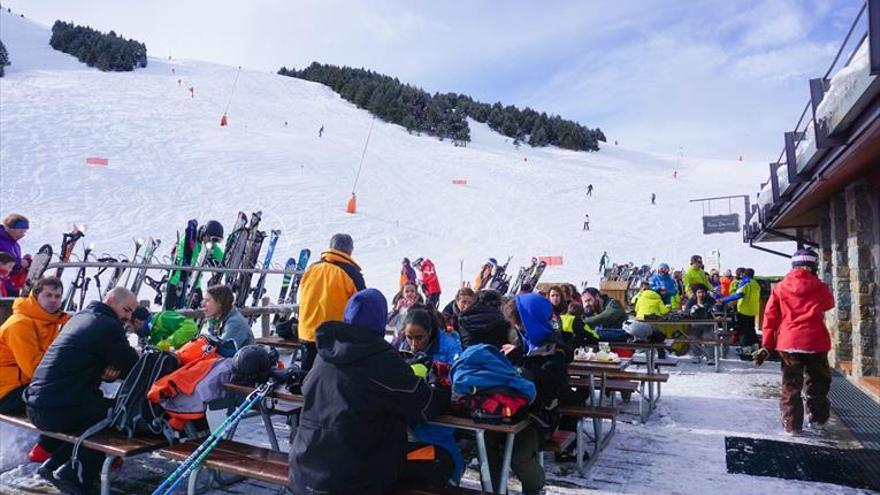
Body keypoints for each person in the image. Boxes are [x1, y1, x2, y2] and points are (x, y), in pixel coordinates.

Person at [290, 289, 452, 494]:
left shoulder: (325, 354)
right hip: (354, 479)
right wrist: (441, 386)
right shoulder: (382, 360)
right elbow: (426, 406)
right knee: (441, 457)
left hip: (303, 472)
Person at [26, 287, 140, 494]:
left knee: (97, 412)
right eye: (127, 310)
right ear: (112, 301)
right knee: (118, 415)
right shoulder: (107, 325)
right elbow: (132, 365)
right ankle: (75, 475)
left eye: (131, 313)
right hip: (59, 409)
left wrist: (103, 368)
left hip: (39, 402)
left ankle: (54, 465)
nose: (128, 316)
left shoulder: (81, 317)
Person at [754, 248, 834, 435]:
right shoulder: (820, 286)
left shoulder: (781, 287)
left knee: (791, 384)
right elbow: (829, 304)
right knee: (818, 382)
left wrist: (767, 345)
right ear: (814, 266)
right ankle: (818, 419)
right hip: (815, 342)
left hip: (788, 342)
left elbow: (770, 318)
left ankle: (792, 426)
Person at [496, 294, 568, 495]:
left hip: (540, 416)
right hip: (515, 411)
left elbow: (552, 387)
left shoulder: (555, 350)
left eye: (520, 323)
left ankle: (535, 489)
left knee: (519, 456)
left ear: (532, 320)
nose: (518, 328)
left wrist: (521, 361)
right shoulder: (528, 342)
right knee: (487, 445)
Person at [0, 277, 69, 462]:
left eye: (58, 296)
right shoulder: (20, 324)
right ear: (35, 296)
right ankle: (49, 449)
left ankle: (50, 448)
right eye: (48, 295)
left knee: (73, 393)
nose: (54, 300)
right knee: (67, 398)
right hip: (6, 392)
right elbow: (36, 369)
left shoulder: (50, 321)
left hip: (23, 384)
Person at [297, 233, 365, 371]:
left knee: (307, 377)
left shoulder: (311, 268)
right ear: (350, 250)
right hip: (334, 338)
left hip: (306, 333)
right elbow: (362, 305)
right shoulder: (351, 273)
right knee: (329, 380)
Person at [166, 220, 224, 309]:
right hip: (177, 281)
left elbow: (221, 258)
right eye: (212, 239)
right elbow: (184, 257)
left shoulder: (209, 245)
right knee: (171, 312)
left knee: (199, 311)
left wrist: (217, 263)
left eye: (216, 241)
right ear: (205, 233)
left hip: (194, 284)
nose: (213, 243)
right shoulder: (189, 240)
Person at [721, 267, 761, 352]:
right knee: (751, 328)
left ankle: (745, 347)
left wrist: (724, 300)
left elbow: (738, 295)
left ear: (744, 274)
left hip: (743, 309)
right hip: (753, 310)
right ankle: (754, 345)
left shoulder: (744, 282)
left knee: (743, 329)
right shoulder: (756, 284)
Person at [203, 285, 254, 350]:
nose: (203, 304)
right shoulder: (218, 319)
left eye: (207, 301)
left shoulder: (235, 323)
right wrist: (211, 321)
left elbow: (221, 351)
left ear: (219, 303)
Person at [684, 283, 717, 364]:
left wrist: (700, 306)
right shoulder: (691, 300)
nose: (701, 294)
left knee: (708, 337)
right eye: (699, 292)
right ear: (696, 293)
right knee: (692, 337)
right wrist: (691, 310)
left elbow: (710, 307)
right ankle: (697, 355)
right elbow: (686, 311)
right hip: (695, 325)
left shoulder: (710, 300)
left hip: (708, 324)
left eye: (703, 292)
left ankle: (710, 357)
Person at [0, 214, 30, 296]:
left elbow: (13, 265)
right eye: (21, 232)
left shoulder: (16, 246)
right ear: (10, 229)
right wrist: (19, 262)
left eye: (24, 232)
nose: (23, 235)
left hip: (11, 286)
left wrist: (24, 262)